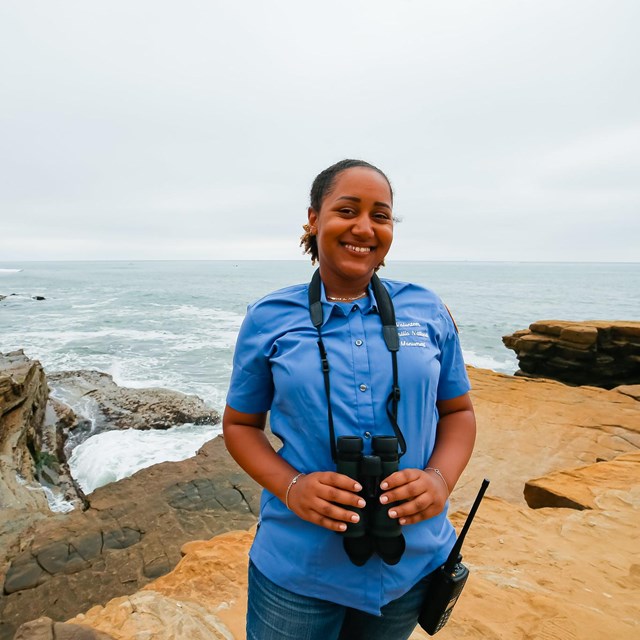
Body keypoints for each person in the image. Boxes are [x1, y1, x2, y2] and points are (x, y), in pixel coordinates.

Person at [223, 159, 476, 640]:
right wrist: (292, 485)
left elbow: (458, 412)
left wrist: (440, 480)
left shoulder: (427, 309)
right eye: (347, 210)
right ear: (314, 219)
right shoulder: (268, 316)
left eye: (380, 215)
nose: (364, 227)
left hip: (411, 561)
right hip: (299, 567)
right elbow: (239, 425)